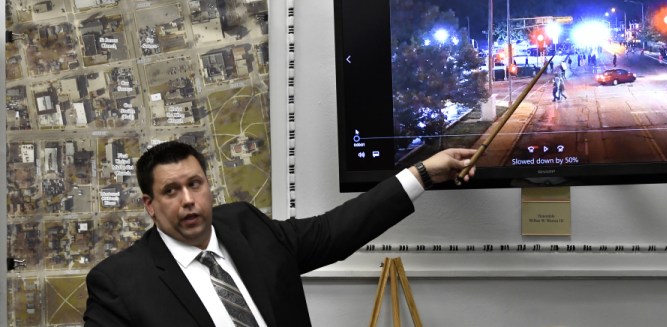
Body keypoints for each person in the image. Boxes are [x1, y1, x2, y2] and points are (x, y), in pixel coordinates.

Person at [83, 140, 476, 327]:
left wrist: (422, 173)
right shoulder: (120, 283)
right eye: (171, 191)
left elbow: (334, 231)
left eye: (195, 184)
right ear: (149, 204)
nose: (188, 200)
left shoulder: (246, 226)